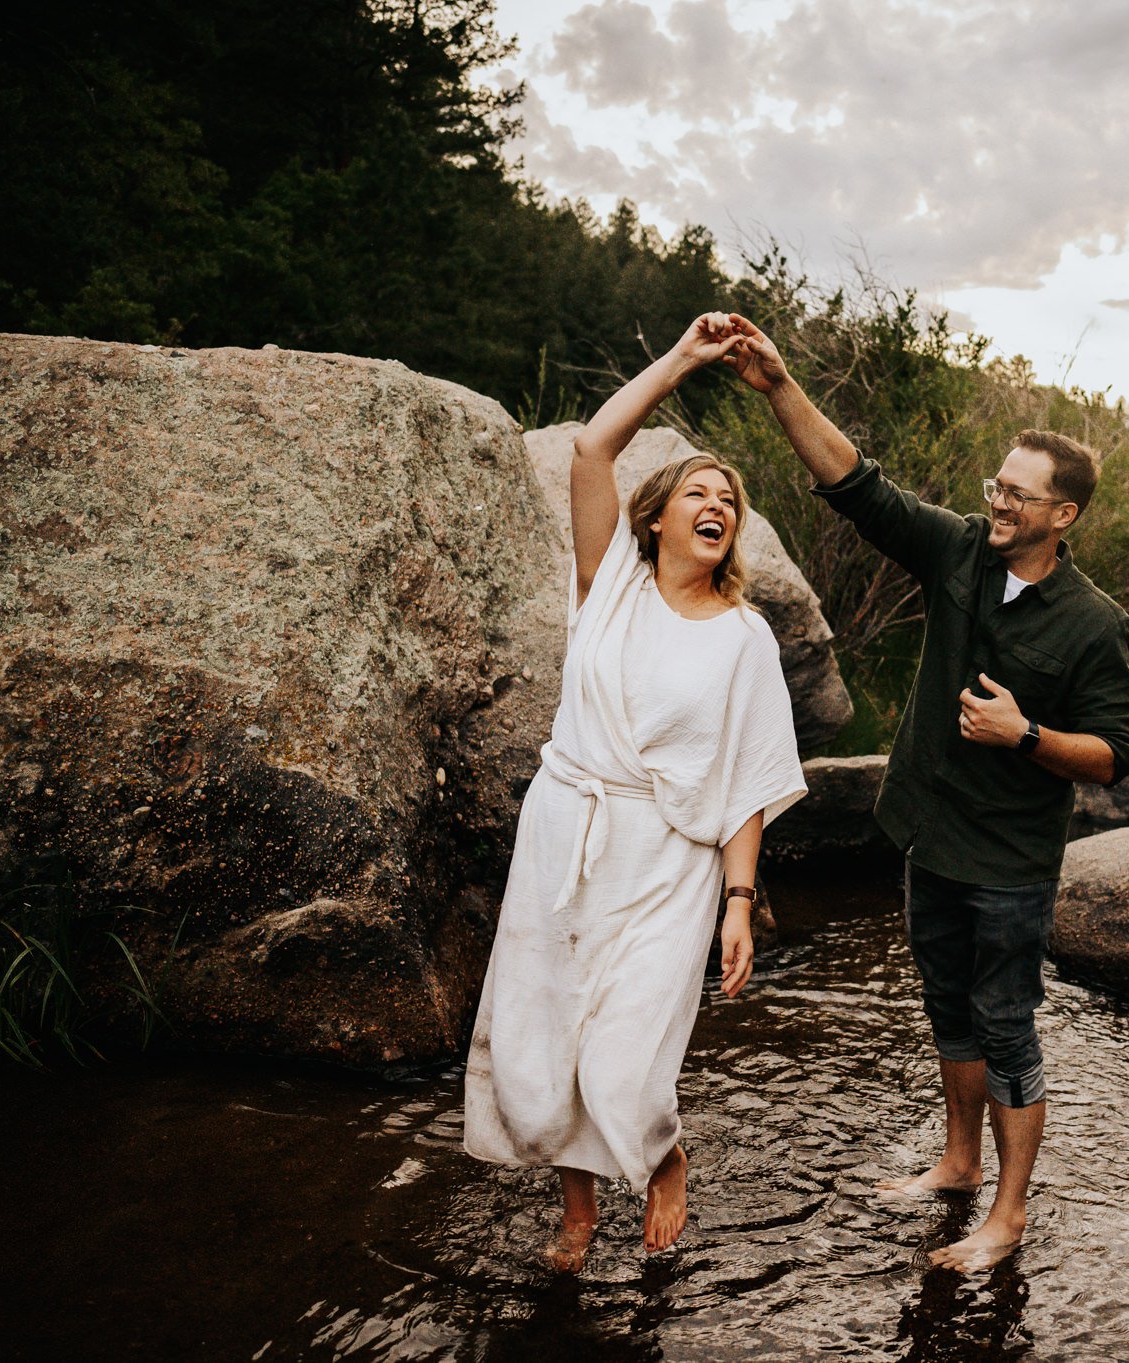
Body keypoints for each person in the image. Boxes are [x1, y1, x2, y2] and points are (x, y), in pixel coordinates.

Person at [719, 314, 1129, 1271]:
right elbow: (854, 484)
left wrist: (1024, 734)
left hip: (1010, 864)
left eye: (1018, 494)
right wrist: (779, 383)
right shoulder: (959, 549)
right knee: (947, 1005)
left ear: (1062, 515)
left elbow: (1116, 756)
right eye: (997, 484)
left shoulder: (1094, 625)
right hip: (929, 835)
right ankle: (956, 1164)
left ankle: (1008, 1213)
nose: (997, 502)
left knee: (1008, 1027)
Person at [462, 314, 808, 1272]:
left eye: (728, 500)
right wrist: (684, 362)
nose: (716, 504)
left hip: (670, 858)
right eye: (696, 491)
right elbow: (591, 445)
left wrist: (740, 904)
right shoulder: (606, 583)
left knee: (622, 1055)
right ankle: (577, 1214)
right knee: (546, 1044)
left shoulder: (746, 639)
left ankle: (662, 1152)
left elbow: (751, 776)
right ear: (654, 519)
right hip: (567, 830)